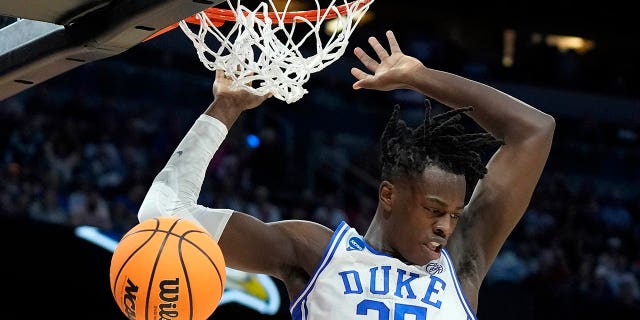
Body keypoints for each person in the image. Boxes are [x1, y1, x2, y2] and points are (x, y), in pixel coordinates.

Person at [138, 30, 555, 319]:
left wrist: (418, 78)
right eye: (433, 210)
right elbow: (162, 214)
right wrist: (225, 108)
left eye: (455, 215)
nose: (446, 227)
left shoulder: (461, 266)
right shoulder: (317, 253)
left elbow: (534, 131)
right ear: (388, 195)